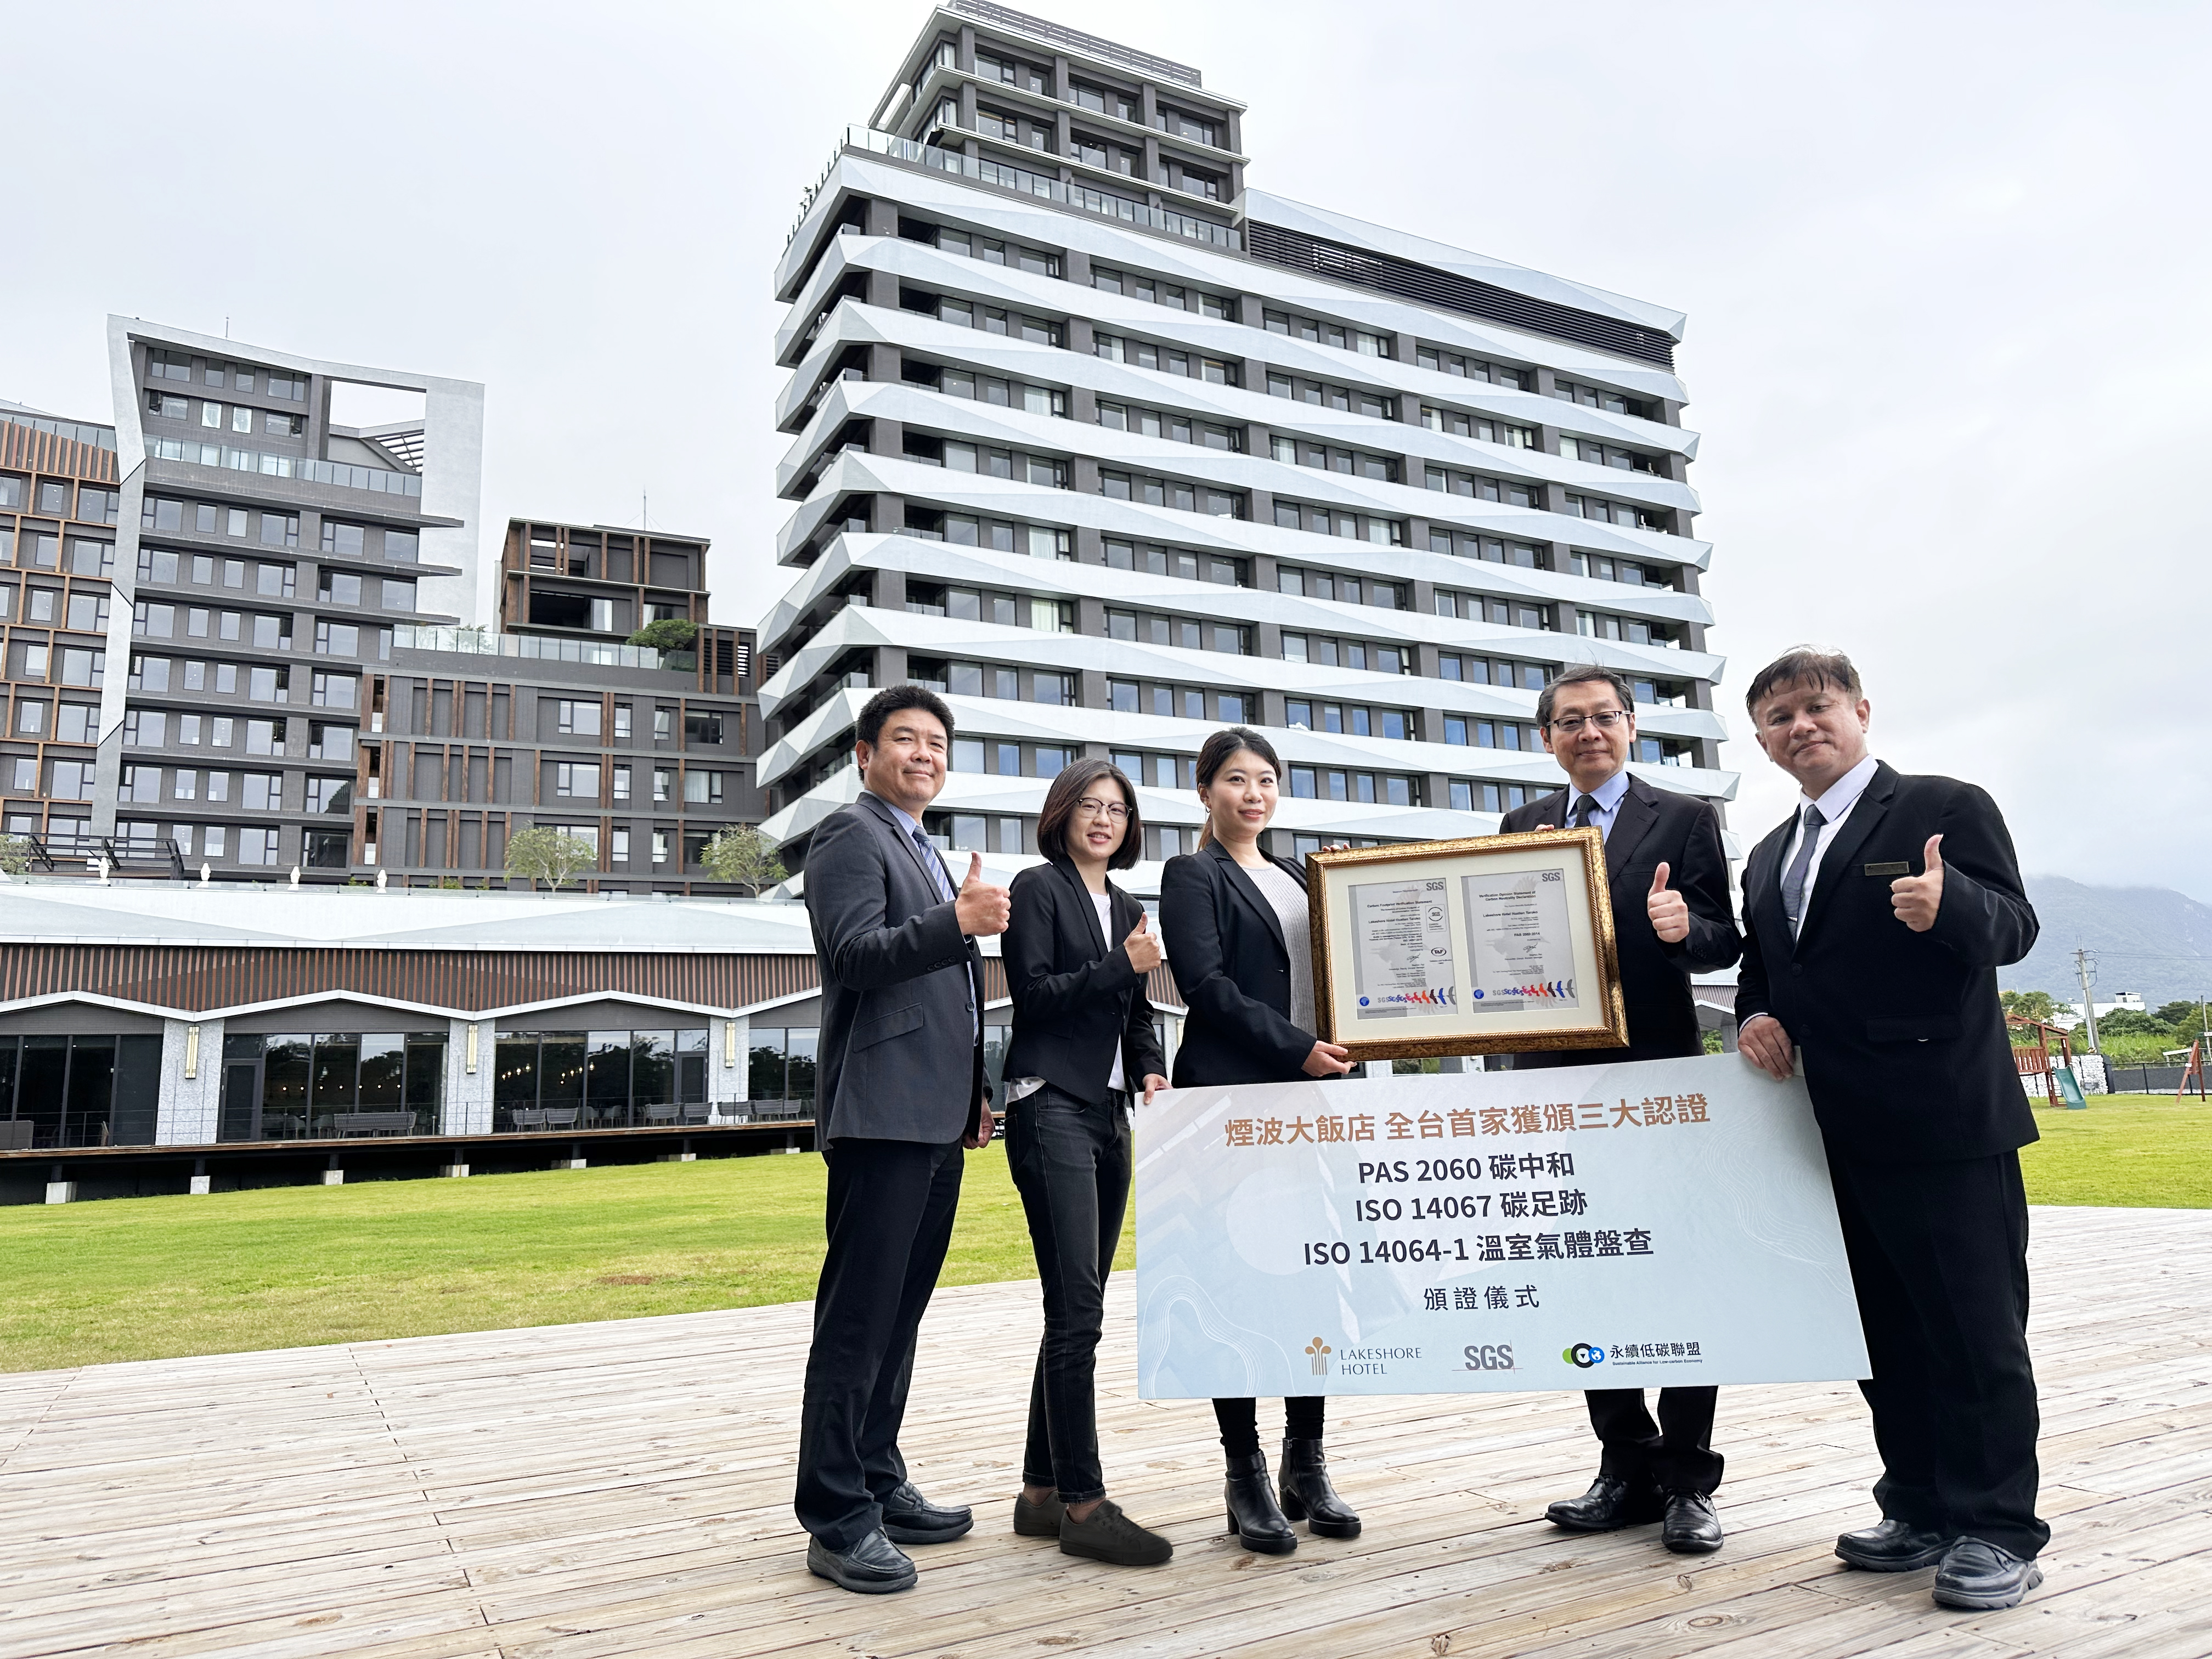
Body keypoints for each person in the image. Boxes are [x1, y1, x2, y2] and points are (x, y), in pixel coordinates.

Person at [1734, 647, 2046, 1611]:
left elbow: (2016, 926)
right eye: (1779, 717)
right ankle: (1915, 1504)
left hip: (1945, 1119)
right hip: (1830, 1133)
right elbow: (1768, 969)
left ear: (1862, 711)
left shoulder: (1944, 806)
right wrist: (1752, 1014)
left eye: (1817, 707)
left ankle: (1996, 1527)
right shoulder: (1768, 853)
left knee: (1974, 1330)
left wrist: (1953, 904)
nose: (1801, 727)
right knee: (1882, 1334)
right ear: (1762, 740)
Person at [1498, 664, 1742, 1555]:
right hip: (1553, 1087)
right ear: (1547, 738)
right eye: (1569, 722)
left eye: (1604, 718)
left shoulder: (1683, 818)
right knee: (1584, 1276)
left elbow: (1726, 937)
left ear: (1632, 727)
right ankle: (1623, 1463)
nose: (1587, 733)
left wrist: (1686, 928)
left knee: (1676, 1277)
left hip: (1656, 1084)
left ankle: (1688, 1479)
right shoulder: (1521, 829)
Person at [794, 685, 1011, 1595]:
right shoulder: (852, 836)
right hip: (880, 1113)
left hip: (932, 1118)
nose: (924, 754)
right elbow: (855, 956)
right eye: (905, 741)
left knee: (901, 1316)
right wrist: (955, 923)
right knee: (858, 1319)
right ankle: (838, 1516)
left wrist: (973, 1097)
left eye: (936, 744)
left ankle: (879, 1480)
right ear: (864, 755)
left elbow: (944, 1001)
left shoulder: (922, 850)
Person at [1159, 727, 1360, 1555]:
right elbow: (1203, 987)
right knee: (1235, 1280)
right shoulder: (1191, 875)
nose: (1254, 794)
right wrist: (1296, 1050)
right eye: (1237, 780)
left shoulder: (1295, 877)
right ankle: (1243, 1472)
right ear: (1205, 790)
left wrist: (1351, 892)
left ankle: (1305, 1464)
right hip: (1234, 1102)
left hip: (1312, 1100)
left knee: (1309, 1278)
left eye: (1267, 780)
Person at [1001, 759, 1175, 1567]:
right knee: (1079, 1315)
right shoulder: (1038, 889)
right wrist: (1122, 965)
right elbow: (1036, 996)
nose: (1105, 819)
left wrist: (1149, 1068)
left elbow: (1134, 1014)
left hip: (1111, 1115)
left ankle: (1039, 1495)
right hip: (1051, 1106)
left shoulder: (1133, 906)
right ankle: (1084, 1503)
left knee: (1079, 1306)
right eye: (1091, 807)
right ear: (1063, 814)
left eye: (1118, 809)